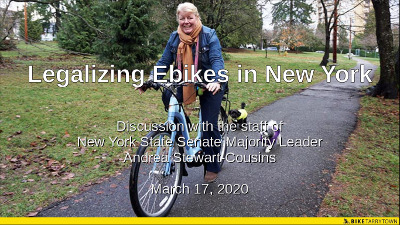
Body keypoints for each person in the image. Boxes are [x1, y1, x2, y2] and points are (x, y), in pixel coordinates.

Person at [137, 2, 226, 183]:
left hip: (209, 83)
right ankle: (181, 136)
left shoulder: (209, 35)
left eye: (190, 18)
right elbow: (164, 62)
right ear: (178, 19)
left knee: (209, 125)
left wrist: (216, 80)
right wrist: (151, 80)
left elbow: (216, 59)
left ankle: (212, 165)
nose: (186, 22)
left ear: (196, 18)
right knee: (167, 95)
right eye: (182, 18)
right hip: (185, 81)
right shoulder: (174, 37)